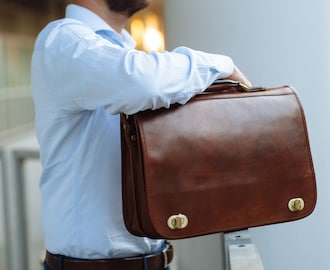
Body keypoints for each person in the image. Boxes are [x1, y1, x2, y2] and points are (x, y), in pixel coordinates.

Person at [31, 0, 251, 269]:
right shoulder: (64, 39)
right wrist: (220, 65)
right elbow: (140, 82)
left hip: (157, 259)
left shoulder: (119, 50)